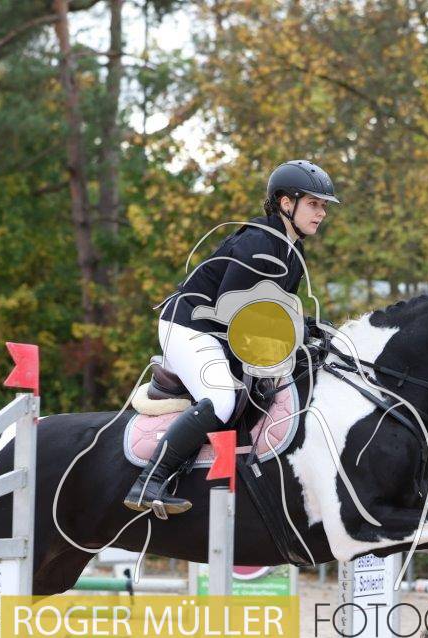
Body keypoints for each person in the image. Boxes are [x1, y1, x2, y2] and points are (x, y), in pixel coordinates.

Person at [124, 159, 339, 517]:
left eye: (323, 206)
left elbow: (272, 310)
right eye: (314, 204)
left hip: (223, 332)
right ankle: (149, 481)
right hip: (190, 326)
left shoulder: (292, 250)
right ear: (286, 203)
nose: (322, 213)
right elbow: (233, 309)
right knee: (223, 400)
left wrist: (311, 328)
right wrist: (296, 330)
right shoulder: (258, 241)